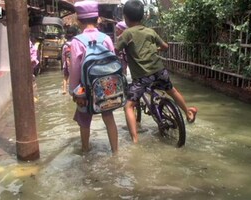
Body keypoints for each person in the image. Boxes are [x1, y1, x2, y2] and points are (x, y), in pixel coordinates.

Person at [115, 0, 198, 144]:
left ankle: (135, 140)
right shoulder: (150, 31)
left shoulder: (126, 34)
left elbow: (115, 50)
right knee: (172, 90)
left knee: (128, 106)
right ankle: (188, 112)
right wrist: (157, 49)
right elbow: (165, 46)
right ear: (143, 17)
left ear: (126, 17)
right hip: (159, 70)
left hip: (141, 76)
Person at [69, 0, 119, 153]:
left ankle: (85, 151)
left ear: (78, 21)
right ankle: (115, 152)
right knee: (109, 117)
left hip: (84, 88)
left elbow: (75, 71)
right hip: (106, 87)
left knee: (84, 121)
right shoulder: (106, 38)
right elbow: (113, 65)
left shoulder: (76, 42)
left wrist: (75, 92)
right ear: (98, 19)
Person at [61, 26, 78, 95]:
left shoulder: (65, 45)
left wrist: (63, 64)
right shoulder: (76, 43)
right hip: (74, 63)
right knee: (75, 77)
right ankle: (75, 89)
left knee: (65, 77)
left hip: (67, 63)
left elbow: (63, 55)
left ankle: (64, 90)